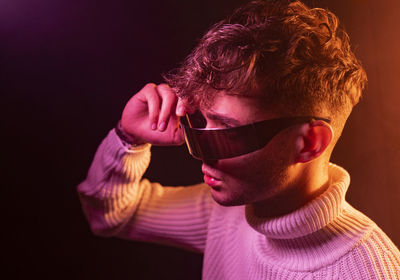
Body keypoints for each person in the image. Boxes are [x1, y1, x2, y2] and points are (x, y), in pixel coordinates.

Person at [77, 0, 400, 279]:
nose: (203, 155)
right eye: (202, 123)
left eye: (228, 132)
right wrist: (127, 138)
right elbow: (109, 215)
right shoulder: (228, 211)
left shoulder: (369, 271)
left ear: (309, 143)